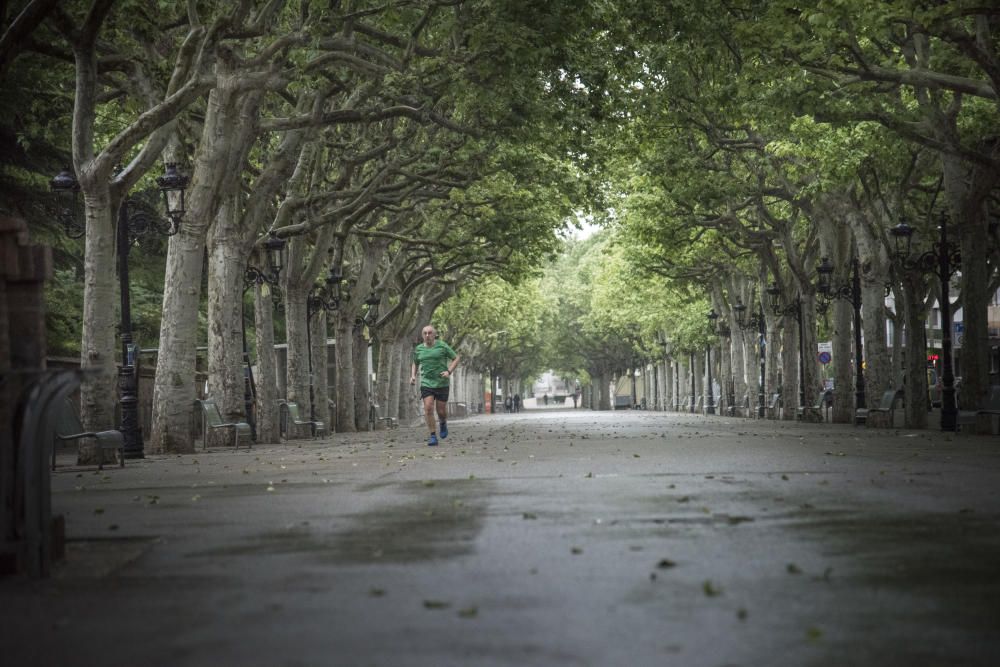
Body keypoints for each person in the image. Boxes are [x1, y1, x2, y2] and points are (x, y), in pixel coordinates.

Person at [410, 325, 459, 446]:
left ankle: (443, 422)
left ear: (434, 334)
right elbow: (415, 363)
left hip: (442, 382)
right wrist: (413, 376)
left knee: (441, 411)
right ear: (422, 335)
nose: (427, 335)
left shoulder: (442, 346)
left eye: (430, 333)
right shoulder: (419, 349)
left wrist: (449, 371)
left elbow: (456, 358)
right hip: (427, 383)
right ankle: (432, 436)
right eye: (425, 333)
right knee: (428, 407)